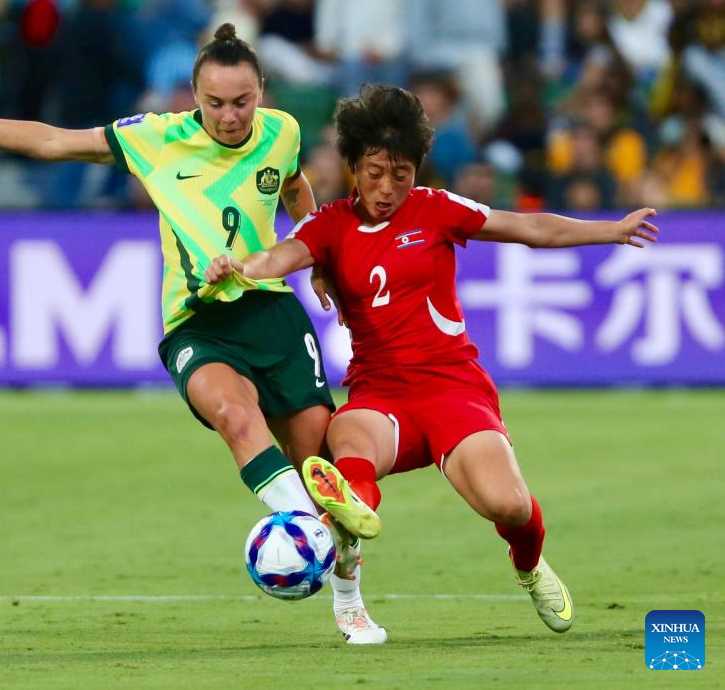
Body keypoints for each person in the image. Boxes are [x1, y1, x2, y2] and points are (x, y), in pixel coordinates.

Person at [0, 23, 386, 645]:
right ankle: (306, 528)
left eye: (242, 101)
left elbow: (293, 187)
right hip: (197, 320)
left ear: (262, 91)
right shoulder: (155, 138)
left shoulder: (282, 131)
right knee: (234, 416)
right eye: (214, 103)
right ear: (193, 96)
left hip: (273, 316)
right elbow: (52, 141)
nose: (229, 116)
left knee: (318, 465)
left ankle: (347, 597)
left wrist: (317, 257)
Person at [204, 84, 660, 634]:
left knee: (510, 506)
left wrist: (612, 230)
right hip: (380, 394)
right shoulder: (329, 226)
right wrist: (240, 267)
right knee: (345, 433)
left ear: (417, 170)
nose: (387, 187)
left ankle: (529, 564)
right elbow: (278, 257)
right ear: (352, 167)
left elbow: (529, 228)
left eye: (401, 174)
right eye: (375, 172)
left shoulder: (436, 209)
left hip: (452, 390)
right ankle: (349, 510)